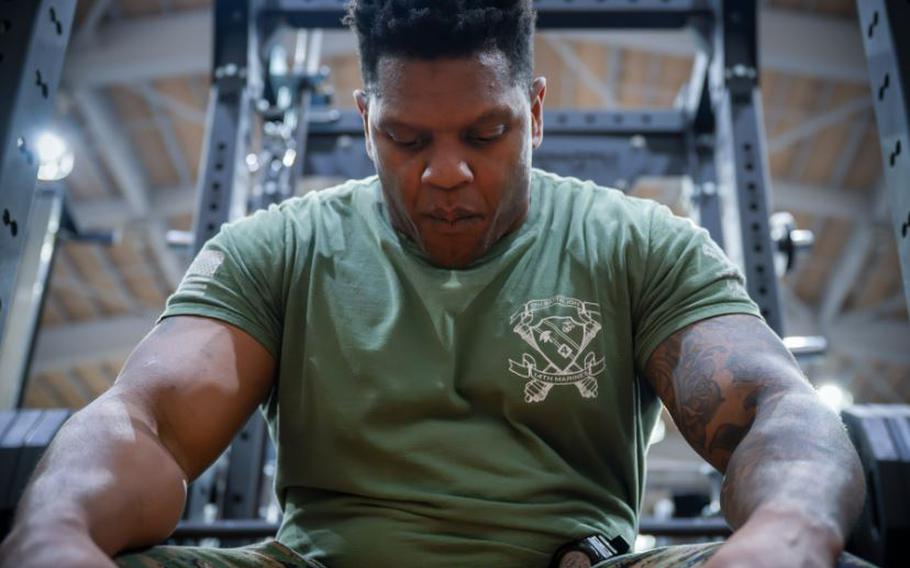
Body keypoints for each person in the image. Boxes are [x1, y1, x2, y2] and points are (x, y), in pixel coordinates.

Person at [0, 1, 874, 567]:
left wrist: (787, 534)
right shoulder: (282, 248)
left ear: (534, 112)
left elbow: (780, 414)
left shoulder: (637, 245)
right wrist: (53, 533)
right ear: (365, 120)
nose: (445, 174)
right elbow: (142, 421)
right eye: (407, 140)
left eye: (485, 134)